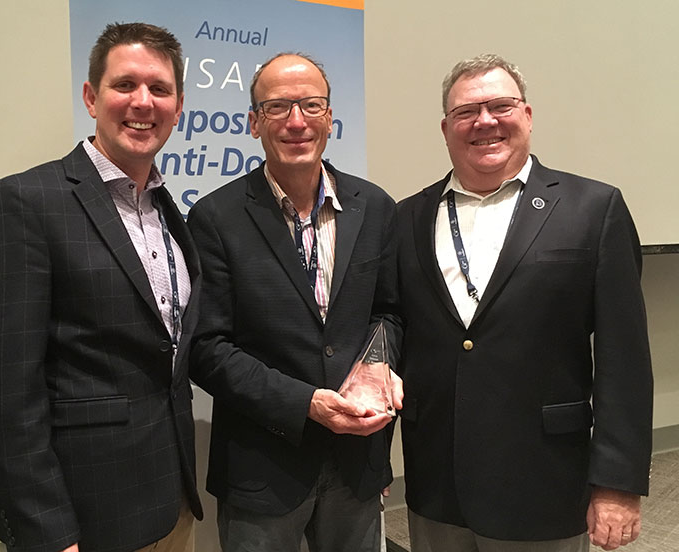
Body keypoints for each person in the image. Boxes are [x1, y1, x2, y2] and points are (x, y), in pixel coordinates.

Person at [396, 53, 653, 552]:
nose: (485, 121)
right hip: (436, 481)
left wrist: (618, 484)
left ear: (527, 116)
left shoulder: (593, 209)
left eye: (501, 106)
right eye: (468, 112)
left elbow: (625, 358)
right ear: (446, 128)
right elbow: (396, 336)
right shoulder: (408, 217)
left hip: (545, 482)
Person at [0, 22, 202, 552]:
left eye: (160, 90)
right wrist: (49, 532)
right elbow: (4, 396)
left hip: (171, 505)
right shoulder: (25, 202)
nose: (143, 102)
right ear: (92, 97)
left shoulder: (166, 210)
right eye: (125, 85)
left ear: (178, 107)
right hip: (83, 520)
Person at [187, 53, 404, 552]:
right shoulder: (215, 217)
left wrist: (375, 369)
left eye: (311, 104)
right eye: (278, 107)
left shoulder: (375, 208)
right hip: (262, 468)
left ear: (330, 117)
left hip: (358, 463)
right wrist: (305, 404)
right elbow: (206, 348)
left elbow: (390, 314)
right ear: (253, 122)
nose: (296, 121)